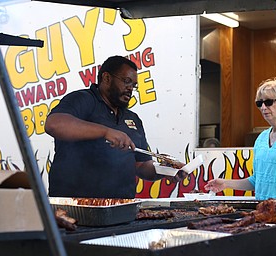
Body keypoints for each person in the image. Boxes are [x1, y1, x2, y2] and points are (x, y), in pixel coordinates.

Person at [45, 55, 186, 199]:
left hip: (121, 208)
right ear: (106, 78)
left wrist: (165, 170)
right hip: (75, 206)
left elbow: (141, 165)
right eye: (126, 82)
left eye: (133, 85)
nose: (130, 89)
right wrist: (105, 132)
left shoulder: (133, 119)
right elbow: (54, 124)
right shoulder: (83, 100)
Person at [205, 78, 276, 209]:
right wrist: (225, 183)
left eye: (269, 102)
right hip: (269, 213)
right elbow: (257, 180)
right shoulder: (261, 139)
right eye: (260, 103)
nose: (264, 107)